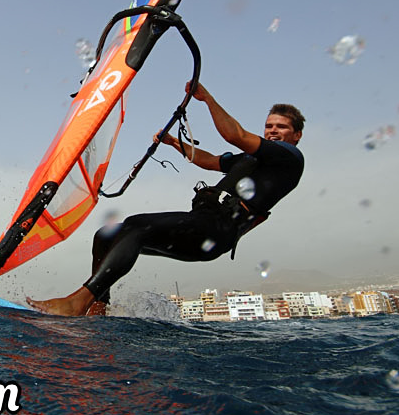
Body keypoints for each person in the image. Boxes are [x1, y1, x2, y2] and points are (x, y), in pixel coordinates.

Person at [26, 82, 305, 317]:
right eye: (269, 126)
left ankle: (78, 302)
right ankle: (98, 308)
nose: (273, 131)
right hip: (203, 223)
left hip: (218, 228)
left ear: (296, 135)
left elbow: (235, 135)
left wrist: (207, 99)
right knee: (106, 236)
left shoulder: (288, 157)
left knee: (137, 226)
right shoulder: (252, 160)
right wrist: (175, 143)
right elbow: (209, 161)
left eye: (281, 127)